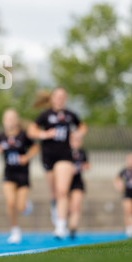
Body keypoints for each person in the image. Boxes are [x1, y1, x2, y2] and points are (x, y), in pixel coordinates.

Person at [27, 88, 87, 239]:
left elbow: (82, 126)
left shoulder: (70, 115)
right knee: (54, 193)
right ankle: (57, 213)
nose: (59, 99)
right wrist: (44, 134)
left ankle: (60, 227)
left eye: (62, 96)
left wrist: (78, 134)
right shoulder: (45, 115)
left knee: (62, 190)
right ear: (52, 99)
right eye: (57, 96)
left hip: (65, 156)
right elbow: (31, 131)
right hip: (48, 157)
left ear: (65, 99)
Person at [0, 109, 39, 244]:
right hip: (8, 174)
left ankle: (25, 205)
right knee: (10, 202)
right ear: (4, 121)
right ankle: (15, 230)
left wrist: (26, 157)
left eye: (13, 118)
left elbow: (35, 148)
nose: (10, 121)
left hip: (23, 174)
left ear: (17, 121)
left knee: (20, 207)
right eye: (8, 119)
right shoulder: (0, 138)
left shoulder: (23, 136)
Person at [68, 134, 89, 239]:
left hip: (77, 182)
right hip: (66, 183)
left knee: (76, 205)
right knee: (69, 207)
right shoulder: (65, 152)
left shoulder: (82, 152)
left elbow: (87, 165)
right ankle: (64, 223)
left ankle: (73, 229)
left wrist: (79, 167)